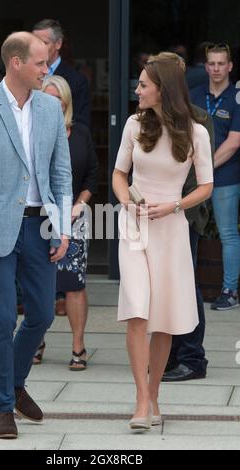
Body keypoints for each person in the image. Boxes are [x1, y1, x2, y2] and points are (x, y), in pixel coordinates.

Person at [0, 32, 72, 439]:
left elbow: (61, 173)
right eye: (41, 63)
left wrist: (62, 227)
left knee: (41, 313)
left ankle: (14, 382)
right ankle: (3, 408)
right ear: (16, 63)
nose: (47, 70)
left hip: (40, 227)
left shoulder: (50, 108)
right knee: (3, 319)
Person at [112, 52, 213, 431]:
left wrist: (174, 205)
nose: (136, 90)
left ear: (163, 89)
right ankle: (141, 399)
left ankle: (154, 394)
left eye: (143, 85)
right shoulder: (134, 125)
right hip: (134, 226)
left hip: (171, 229)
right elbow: (119, 174)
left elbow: (206, 186)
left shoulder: (197, 131)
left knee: (165, 318)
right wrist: (126, 201)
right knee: (137, 310)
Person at [149, 54, 215, 382]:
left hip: (184, 215)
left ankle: (193, 357)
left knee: (186, 285)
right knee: (163, 286)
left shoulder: (198, 119)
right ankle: (171, 354)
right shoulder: (148, 118)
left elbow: (199, 176)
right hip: (156, 216)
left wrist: (176, 207)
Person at [33, 75, 97, 368]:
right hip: (38, 216)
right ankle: (36, 342)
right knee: (38, 283)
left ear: (66, 102)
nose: (51, 102)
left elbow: (92, 175)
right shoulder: (31, 130)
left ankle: (78, 349)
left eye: (57, 98)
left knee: (73, 284)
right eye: (46, 96)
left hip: (74, 216)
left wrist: (78, 205)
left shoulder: (81, 133)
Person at [190, 43, 240, 310]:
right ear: (206, 66)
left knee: (228, 233)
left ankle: (229, 290)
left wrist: (204, 167)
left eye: (222, 63)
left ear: (230, 66)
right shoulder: (195, 95)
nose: (217, 68)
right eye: (212, 63)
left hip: (226, 178)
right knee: (188, 230)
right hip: (194, 179)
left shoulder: (237, 97)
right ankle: (187, 288)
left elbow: (234, 142)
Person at [32, 19, 90, 128]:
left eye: (44, 43)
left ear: (58, 44)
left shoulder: (77, 80)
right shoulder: (25, 76)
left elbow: (81, 125)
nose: (37, 48)